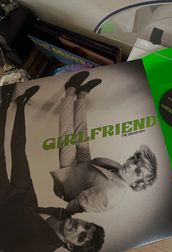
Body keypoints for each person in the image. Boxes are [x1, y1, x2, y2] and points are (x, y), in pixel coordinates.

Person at [0, 85, 105, 252]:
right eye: (87, 226)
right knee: (19, 148)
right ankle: (19, 104)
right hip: (23, 193)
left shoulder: (37, 247)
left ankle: (4, 102)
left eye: (81, 236)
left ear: (70, 246)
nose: (79, 227)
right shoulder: (64, 215)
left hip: (3, 200)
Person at [50, 71, 158, 214]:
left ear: (137, 184)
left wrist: (63, 215)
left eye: (137, 171)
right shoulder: (121, 172)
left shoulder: (112, 195)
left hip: (70, 177)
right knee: (82, 132)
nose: (130, 165)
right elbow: (99, 164)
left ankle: (70, 90)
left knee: (66, 133)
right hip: (86, 166)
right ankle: (81, 94)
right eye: (134, 160)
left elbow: (77, 205)